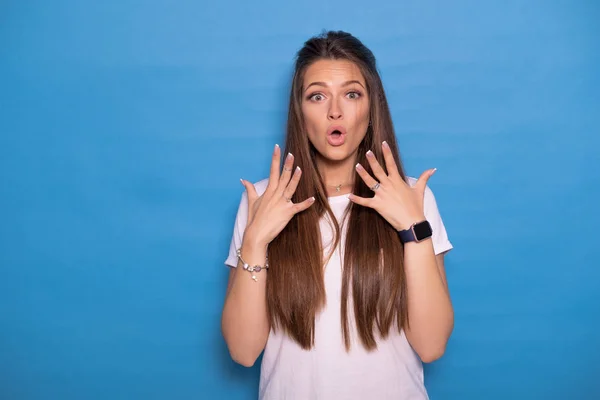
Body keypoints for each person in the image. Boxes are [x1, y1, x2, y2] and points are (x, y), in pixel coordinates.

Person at [221, 30, 454, 400]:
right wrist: (254, 241)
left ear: (371, 106)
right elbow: (242, 351)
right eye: (317, 95)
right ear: (300, 109)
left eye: (351, 94)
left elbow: (431, 345)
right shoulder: (262, 200)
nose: (335, 111)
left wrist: (414, 228)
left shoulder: (412, 198)